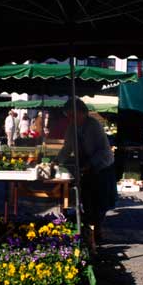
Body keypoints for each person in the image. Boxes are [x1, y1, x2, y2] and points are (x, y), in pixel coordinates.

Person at [56, 99, 117, 248]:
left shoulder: (93, 125)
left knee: (100, 202)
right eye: (68, 116)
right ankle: (89, 232)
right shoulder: (71, 127)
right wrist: (57, 161)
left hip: (102, 166)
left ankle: (97, 232)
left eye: (73, 115)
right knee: (87, 201)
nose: (70, 118)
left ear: (82, 113)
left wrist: (90, 164)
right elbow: (67, 148)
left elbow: (102, 150)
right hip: (85, 167)